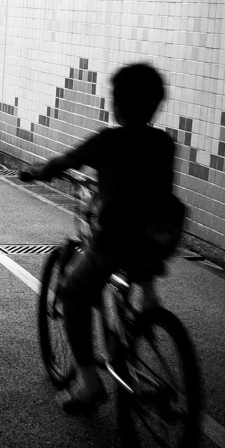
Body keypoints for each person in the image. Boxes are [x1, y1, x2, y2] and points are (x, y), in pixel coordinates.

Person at [21, 63, 177, 413]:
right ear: (156, 105)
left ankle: (90, 383)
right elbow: (145, 187)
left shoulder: (108, 141)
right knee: (141, 237)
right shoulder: (163, 142)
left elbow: (62, 162)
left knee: (74, 293)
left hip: (117, 240)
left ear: (116, 104)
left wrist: (36, 171)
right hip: (161, 237)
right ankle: (148, 298)